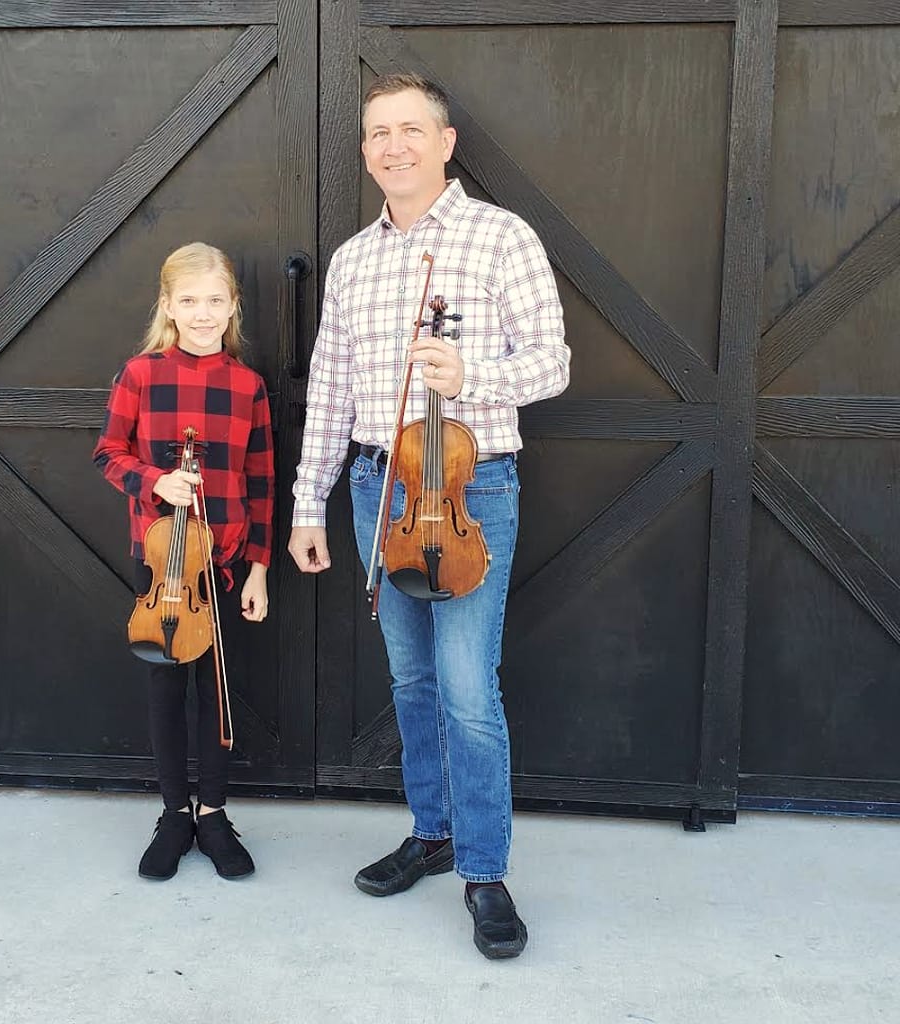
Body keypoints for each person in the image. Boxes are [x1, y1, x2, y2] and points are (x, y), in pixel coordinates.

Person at [288, 74, 570, 959]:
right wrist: (308, 502)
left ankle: (484, 871)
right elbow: (330, 389)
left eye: (412, 129)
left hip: (472, 485)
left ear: (447, 142)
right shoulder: (350, 258)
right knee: (411, 682)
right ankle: (433, 831)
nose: (394, 145)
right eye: (379, 132)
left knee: (465, 688)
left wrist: (473, 379)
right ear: (367, 149)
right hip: (380, 488)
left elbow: (554, 362)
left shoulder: (499, 237)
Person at [94, 242, 274, 882]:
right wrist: (154, 482)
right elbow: (109, 454)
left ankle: (215, 813)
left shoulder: (247, 386)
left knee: (219, 692)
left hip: (220, 567)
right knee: (166, 687)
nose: (203, 314)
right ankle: (174, 814)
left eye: (215, 301)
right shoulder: (140, 375)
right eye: (190, 301)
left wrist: (257, 567)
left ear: (233, 307)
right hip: (163, 567)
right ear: (168, 305)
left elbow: (260, 481)